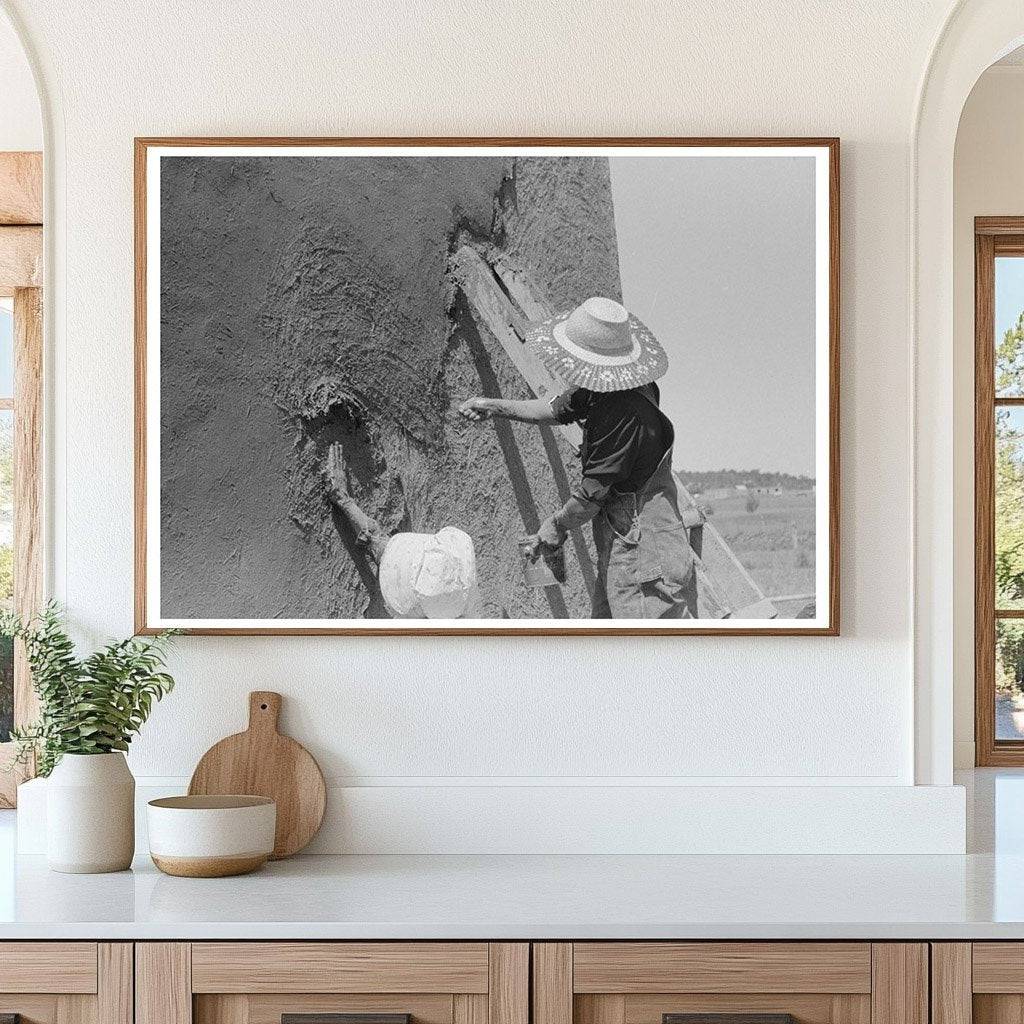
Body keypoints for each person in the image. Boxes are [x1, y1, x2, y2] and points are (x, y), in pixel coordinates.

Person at [459, 296, 699, 619]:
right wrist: (493, 407)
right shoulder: (605, 387)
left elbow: (590, 497)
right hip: (626, 547)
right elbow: (553, 408)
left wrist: (555, 527)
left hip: (647, 559)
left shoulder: (622, 412)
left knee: (648, 661)